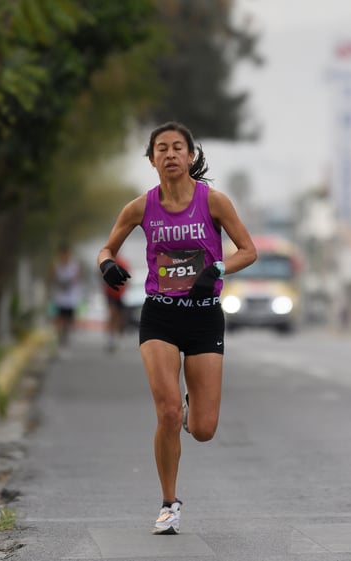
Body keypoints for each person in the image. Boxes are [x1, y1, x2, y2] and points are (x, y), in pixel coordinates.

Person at [97, 121, 257, 535]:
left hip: (204, 315)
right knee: (167, 412)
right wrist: (107, 265)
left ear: (190, 156)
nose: (170, 155)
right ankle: (169, 503)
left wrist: (217, 268)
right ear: (151, 160)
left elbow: (249, 251)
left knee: (202, 429)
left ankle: (190, 408)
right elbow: (106, 247)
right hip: (161, 316)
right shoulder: (139, 208)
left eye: (177, 148)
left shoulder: (214, 202)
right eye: (161, 149)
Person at [50, 242, 83, 354]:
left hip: (70, 299)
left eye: (66, 254)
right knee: (60, 320)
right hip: (60, 298)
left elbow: (77, 279)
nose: (64, 256)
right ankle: (61, 340)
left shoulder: (74, 267)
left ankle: (66, 339)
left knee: (68, 320)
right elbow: (52, 279)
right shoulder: (56, 266)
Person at [102, 255, 130, 353]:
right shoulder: (106, 262)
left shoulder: (122, 263)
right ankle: (111, 339)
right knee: (112, 315)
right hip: (110, 294)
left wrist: (125, 290)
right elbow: (101, 276)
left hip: (120, 295)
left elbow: (127, 279)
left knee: (121, 317)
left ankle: (120, 338)